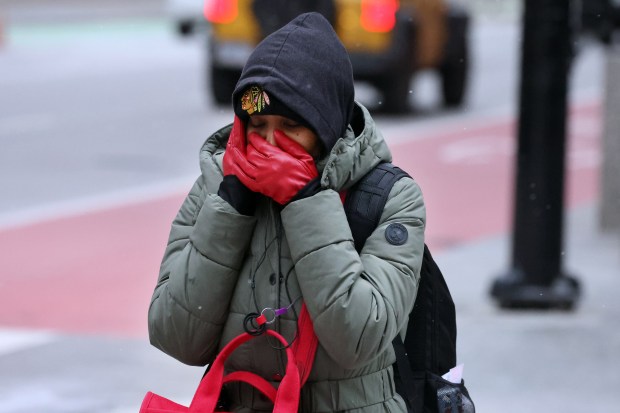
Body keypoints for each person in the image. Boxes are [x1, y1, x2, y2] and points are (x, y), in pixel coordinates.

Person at [148, 12, 426, 413]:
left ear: (327, 126)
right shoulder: (216, 187)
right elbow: (176, 336)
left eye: (291, 126)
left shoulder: (391, 197)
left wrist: (306, 201)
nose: (270, 143)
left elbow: (359, 339)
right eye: (258, 125)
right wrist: (231, 207)